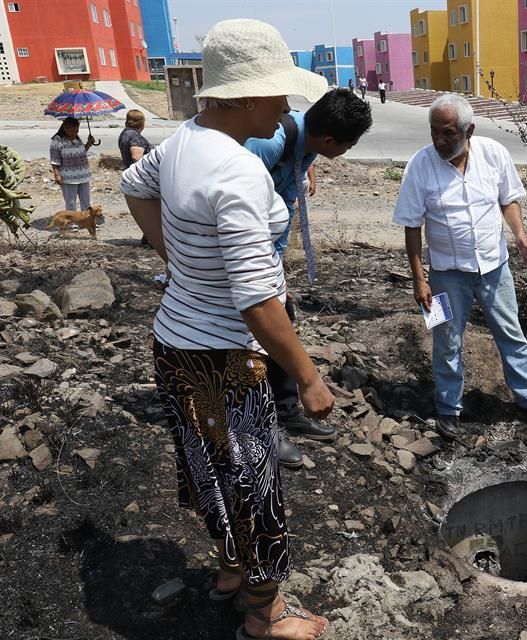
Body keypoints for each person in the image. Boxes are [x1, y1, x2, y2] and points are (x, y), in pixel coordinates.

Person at [120, 19, 333, 640]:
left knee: (210, 466)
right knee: (255, 478)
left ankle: (231, 569)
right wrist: (309, 377)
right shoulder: (238, 172)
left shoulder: (184, 140)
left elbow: (133, 186)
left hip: (175, 342)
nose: (288, 107)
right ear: (241, 96)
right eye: (278, 93)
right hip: (225, 356)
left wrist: (175, 257)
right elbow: (258, 303)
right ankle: (266, 615)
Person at [392, 94, 527, 439]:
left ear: (469, 130)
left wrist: (520, 233)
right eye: (435, 132)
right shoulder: (419, 166)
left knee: (511, 333)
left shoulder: (494, 153)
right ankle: (448, 407)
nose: (439, 140)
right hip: (443, 276)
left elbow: (507, 199)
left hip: (495, 268)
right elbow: (411, 225)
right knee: (445, 340)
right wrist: (418, 279)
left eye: (448, 133)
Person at [245, 87, 373, 468]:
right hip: (246, 263)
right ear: (330, 139)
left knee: (284, 323)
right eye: (348, 146)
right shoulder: (268, 144)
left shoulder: (308, 142)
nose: (346, 153)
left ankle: (285, 410)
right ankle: (260, 430)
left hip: (271, 256)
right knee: (254, 343)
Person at [118, 109, 153, 246]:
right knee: (151, 209)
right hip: (142, 180)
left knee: (147, 210)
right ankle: (150, 239)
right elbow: (136, 157)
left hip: (133, 177)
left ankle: (148, 237)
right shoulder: (135, 137)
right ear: (141, 123)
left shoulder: (125, 133)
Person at [49, 116, 95, 212]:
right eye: (72, 130)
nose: (75, 132)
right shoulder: (57, 141)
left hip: (83, 175)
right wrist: (57, 175)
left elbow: (81, 153)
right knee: (70, 202)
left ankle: (86, 220)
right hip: (68, 177)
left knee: (85, 200)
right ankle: (72, 222)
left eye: (77, 130)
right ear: (65, 128)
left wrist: (89, 143)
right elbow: (54, 160)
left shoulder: (77, 139)